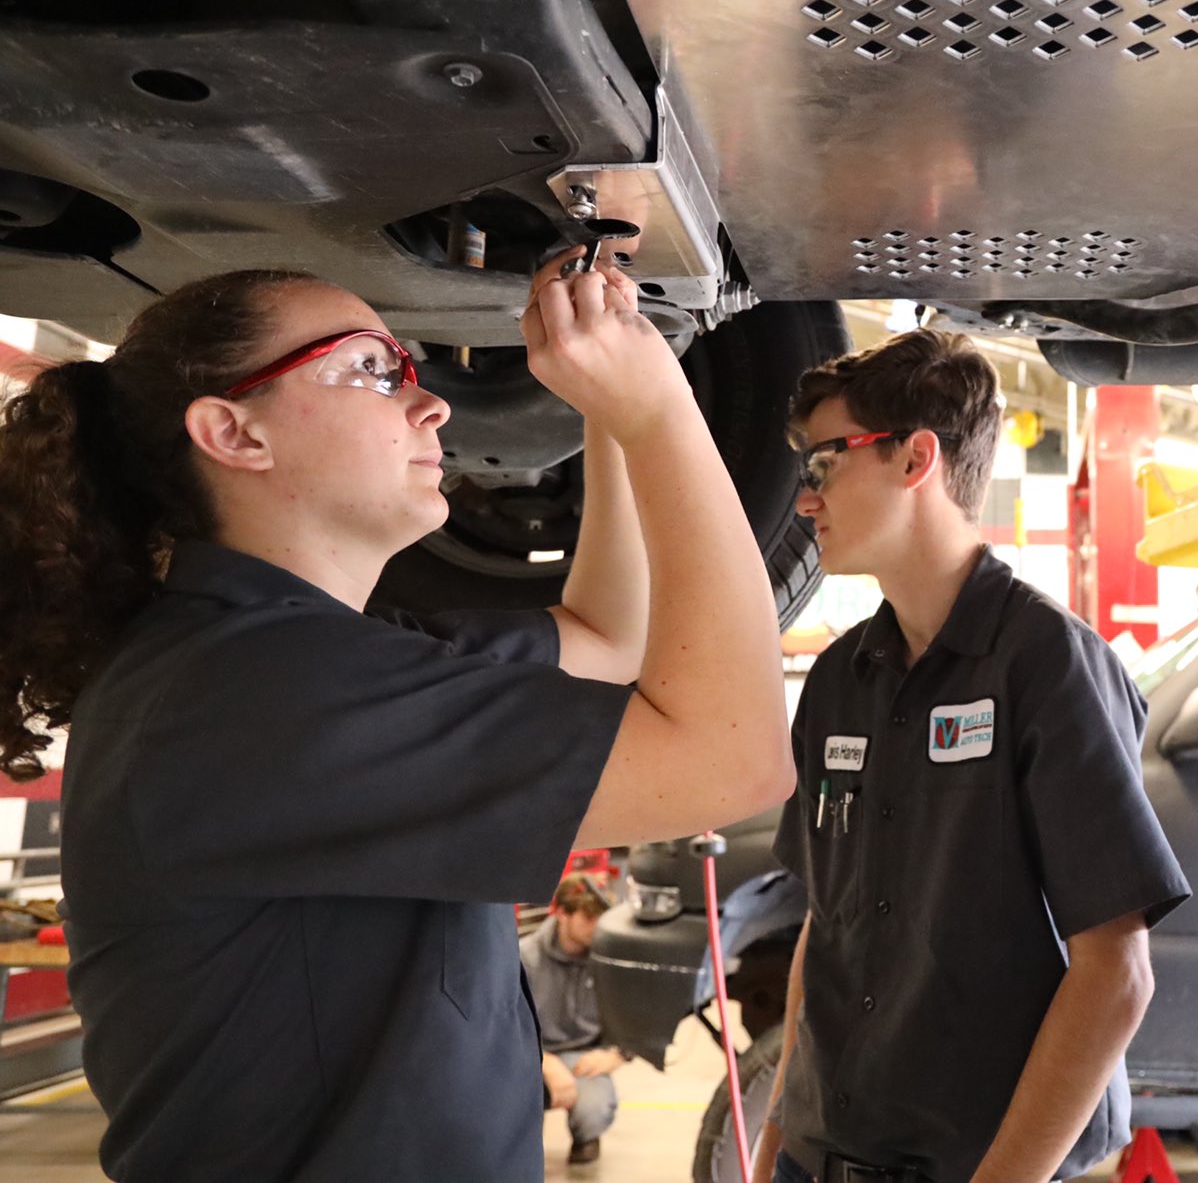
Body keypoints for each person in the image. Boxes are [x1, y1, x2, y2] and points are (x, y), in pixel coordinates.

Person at [0, 251, 794, 1182]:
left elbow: (606, 635)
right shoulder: (256, 695)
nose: (431, 406)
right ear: (234, 433)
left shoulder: (295, 665)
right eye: (372, 369)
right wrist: (659, 409)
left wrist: (614, 414)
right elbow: (735, 760)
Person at [753, 330, 1191, 1183]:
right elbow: (826, 925)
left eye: (822, 466)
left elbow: (1115, 974)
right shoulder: (841, 678)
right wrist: (779, 1128)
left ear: (916, 457)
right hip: (823, 1155)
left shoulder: (1046, 664)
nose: (805, 502)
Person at [523, 873, 631, 1166]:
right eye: (587, 918)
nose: (596, 927)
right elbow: (506, 1028)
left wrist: (618, 1054)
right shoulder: (524, 958)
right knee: (513, 1109)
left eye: (600, 918)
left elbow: (631, 1013)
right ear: (561, 913)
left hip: (583, 1056)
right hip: (529, 1056)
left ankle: (586, 1137)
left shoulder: (609, 959)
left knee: (594, 1108)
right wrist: (545, 1061)